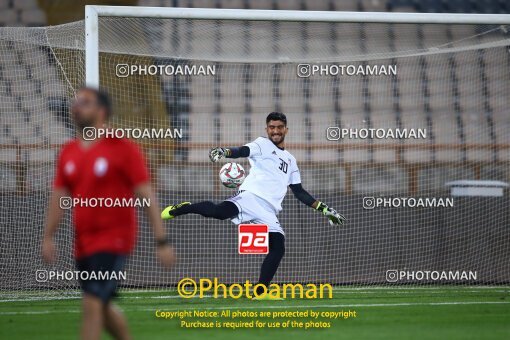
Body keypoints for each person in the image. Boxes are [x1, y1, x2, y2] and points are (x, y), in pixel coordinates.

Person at [161, 111, 345, 299]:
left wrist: (324, 209)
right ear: (267, 129)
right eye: (272, 127)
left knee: (278, 247)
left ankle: (260, 292)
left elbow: (299, 192)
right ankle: (183, 208)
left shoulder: (290, 160)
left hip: (269, 211)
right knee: (218, 212)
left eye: (279, 127)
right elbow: (242, 151)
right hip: (251, 198)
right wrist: (225, 152)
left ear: (286, 130)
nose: (275, 131)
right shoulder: (262, 144)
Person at [41, 87, 175, 340]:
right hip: (82, 243)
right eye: (76, 101)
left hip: (114, 240)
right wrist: (48, 236)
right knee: (100, 304)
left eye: (85, 102)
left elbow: (146, 195)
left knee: (91, 304)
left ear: (101, 111)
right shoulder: (68, 151)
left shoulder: (123, 148)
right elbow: (59, 197)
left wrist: (162, 240)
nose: (77, 106)